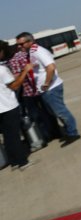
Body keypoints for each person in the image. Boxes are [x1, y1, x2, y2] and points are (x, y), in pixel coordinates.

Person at [15, 32, 81, 144]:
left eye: (21, 44)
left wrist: (46, 83)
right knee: (55, 112)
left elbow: (51, 67)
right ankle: (68, 131)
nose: (19, 47)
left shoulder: (38, 51)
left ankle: (73, 133)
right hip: (46, 89)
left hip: (51, 88)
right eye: (17, 44)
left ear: (30, 41)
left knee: (60, 111)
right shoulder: (32, 52)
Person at [0, 41, 36, 170]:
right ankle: (22, 162)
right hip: (8, 107)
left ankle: (14, 162)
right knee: (14, 135)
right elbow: (15, 86)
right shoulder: (2, 70)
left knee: (7, 136)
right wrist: (25, 71)